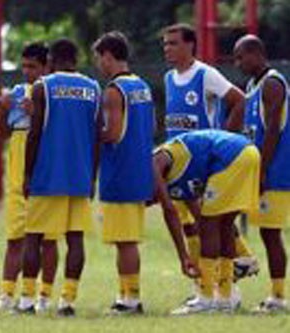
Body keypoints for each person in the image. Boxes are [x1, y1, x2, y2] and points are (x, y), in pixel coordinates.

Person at [92, 30, 196, 314]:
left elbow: (112, 133)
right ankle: (126, 295)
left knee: (125, 242)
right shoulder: (142, 86)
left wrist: (88, 133)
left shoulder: (114, 90)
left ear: (108, 56)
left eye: (99, 58)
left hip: (120, 173)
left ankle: (131, 299)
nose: (99, 64)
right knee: (126, 240)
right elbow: (151, 127)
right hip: (138, 170)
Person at [162, 23, 257, 283]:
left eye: (173, 43)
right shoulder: (169, 78)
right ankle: (213, 278)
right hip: (177, 163)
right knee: (191, 224)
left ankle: (224, 273)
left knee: (207, 222)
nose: (167, 49)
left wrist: (226, 136)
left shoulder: (205, 74)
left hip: (203, 162)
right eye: (165, 44)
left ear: (190, 45)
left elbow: (239, 100)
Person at [17, 39, 100, 316]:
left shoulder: (44, 86)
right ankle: (67, 301)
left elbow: (35, 133)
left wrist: (27, 173)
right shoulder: (93, 88)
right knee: (75, 239)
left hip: (47, 174)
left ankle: (27, 301)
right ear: (77, 58)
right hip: (80, 176)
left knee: (33, 238)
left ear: (51, 59)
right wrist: (93, 177)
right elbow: (97, 137)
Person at [152, 130, 260, 314]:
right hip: (248, 152)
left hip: (231, 155)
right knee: (223, 224)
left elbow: (170, 211)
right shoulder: (175, 180)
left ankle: (206, 297)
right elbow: (198, 214)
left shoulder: (153, 163)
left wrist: (183, 256)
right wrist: (186, 254)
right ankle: (225, 298)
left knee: (211, 224)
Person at [0, 42, 58, 312]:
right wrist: (1, 109)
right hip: (17, 175)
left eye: (33, 66)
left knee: (48, 239)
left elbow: (59, 131)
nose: (27, 71)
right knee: (15, 238)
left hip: (45, 173)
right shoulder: (18, 92)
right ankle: (7, 294)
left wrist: (39, 113)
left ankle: (44, 296)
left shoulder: (53, 92)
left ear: (47, 66)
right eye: (24, 66)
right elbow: (3, 135)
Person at [234, 35, 289, 313]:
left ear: (256, 53)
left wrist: (263, 170)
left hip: (276, 172)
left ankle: (278, 297)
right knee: (227, 216)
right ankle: (242, 263)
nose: (237, 62)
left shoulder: (272, 84)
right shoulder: (252, 85)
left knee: (271, 233)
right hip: (259, 169)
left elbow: (273, 131)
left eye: (241, 56)